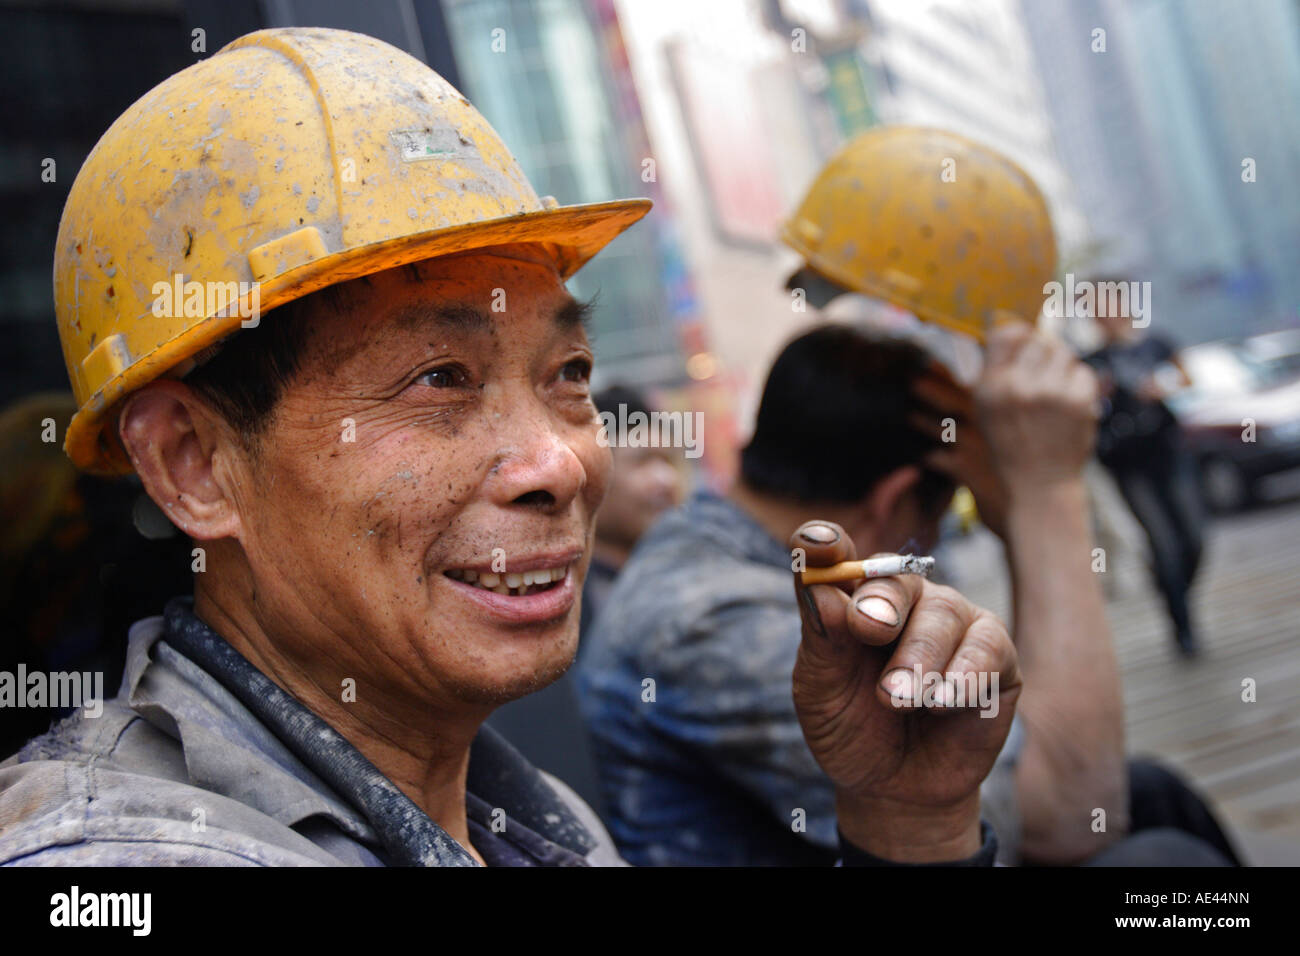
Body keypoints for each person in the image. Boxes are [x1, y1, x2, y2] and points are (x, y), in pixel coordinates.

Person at [0, 28, 1020, 868]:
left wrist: (907, 829)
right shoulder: (130, 863)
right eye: (439, 379)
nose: (561, 463)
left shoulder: (529, 818)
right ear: (193, 462)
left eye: (568, 374)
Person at [578, 127, 1235, 866]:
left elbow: (1034, 764)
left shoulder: (731, 555)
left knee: (1156, 792)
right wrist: (1045, 498)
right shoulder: (714, 620)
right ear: (894, 501)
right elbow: (1067, 815)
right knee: (1165, 864)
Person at [1082, 284, 1204, 656]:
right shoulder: (1090, 360)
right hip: (1128, 462)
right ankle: (1182, 627)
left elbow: (1187, 377)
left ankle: (1171, 587)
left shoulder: (1154, 343)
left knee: (1193, 539)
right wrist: (1096, 395)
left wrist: (1161, 386)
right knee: (1162, 543)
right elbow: (1082, 407)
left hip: (1168, 451)